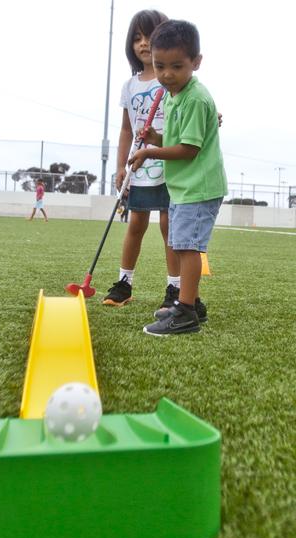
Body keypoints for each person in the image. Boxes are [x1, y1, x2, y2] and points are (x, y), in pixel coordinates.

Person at [128, 20, 227, 335]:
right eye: (160, 66)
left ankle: (185, 313)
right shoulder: (174, 94)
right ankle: (192, 302)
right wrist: (155, 137)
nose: (166, 74)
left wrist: (148, 153)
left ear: (196, 63)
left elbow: (188, 149)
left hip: (199, 187)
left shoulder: (195, 98)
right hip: (185, 187)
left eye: (176, 66)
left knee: (187, 248)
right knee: (183, 244)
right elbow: (174, 139)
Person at [102, 9, 181, 309]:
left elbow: (193, 108)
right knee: (136, 223)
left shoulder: (171, 80)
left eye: (150, 36)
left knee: (168, 225)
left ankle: (175, 288)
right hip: (140, 167)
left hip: (171, 165)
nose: (143, 43)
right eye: (137, 38)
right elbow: (125, 130)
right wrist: (121, 166)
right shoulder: (129, 86)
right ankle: (124, 283)